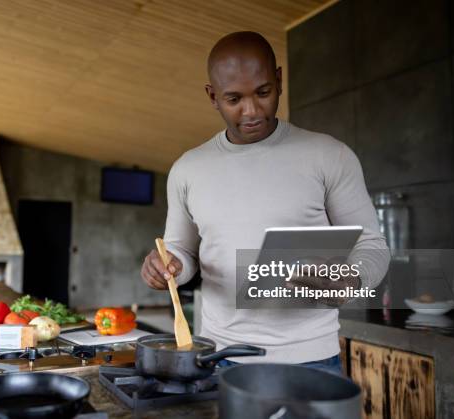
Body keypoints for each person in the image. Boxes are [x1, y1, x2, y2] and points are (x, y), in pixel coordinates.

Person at [140, 31, 390, 375]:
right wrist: (167, 266)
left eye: (263, 92)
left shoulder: (330, 155)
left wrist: (352, 278)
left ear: (280, 80)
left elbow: (372, 245)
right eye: (233, 99)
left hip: (314, 361)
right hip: (220, 358)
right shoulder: (187, 169)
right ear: (212, 96)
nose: (252, 110)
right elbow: (182, 251)